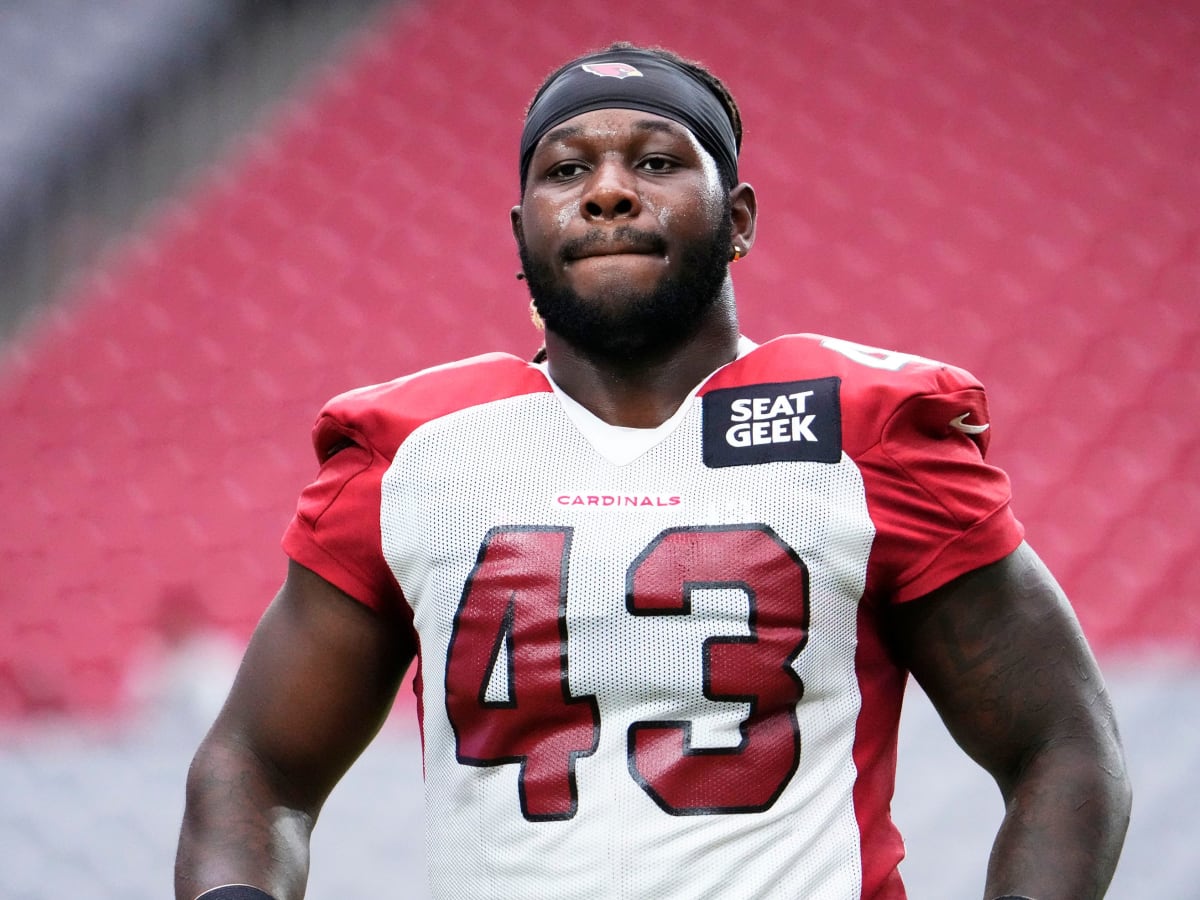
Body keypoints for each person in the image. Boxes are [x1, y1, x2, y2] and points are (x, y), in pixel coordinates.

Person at [175, 42, 1131, 900]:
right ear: (521, 235)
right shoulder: (415, 450)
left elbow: (1063, 745)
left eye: (658, 162)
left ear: (740, 218)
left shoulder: (865, 430)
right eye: (567, 169)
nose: (608, 191)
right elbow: (257, 766)